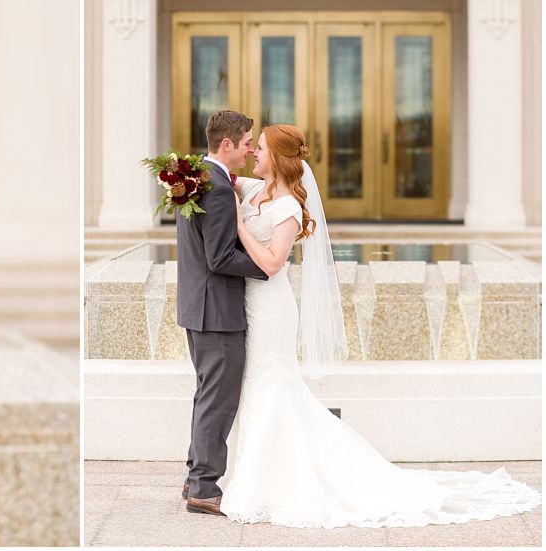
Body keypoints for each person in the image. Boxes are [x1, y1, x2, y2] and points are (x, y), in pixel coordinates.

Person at [218, 123, 541, 527]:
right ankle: (257, 476)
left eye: (261, 149)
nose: (254, 154)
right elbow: (220, 173)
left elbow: (270, 263)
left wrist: (241, 226)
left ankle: (272, 483)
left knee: (273, 384)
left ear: (279, 158)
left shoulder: (286, 208)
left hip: (272, 309)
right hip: (249, 306)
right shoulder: (255, 189)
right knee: (258, 387)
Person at [177, 110, 269, 515]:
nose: (251, 149)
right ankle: (203, 487)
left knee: (207, 395)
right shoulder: (213, 187)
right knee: (219, 400)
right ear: (227, 144)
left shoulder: (197, 175)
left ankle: (196, 475)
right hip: (217, 311)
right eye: (247, 142)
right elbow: (219, 257)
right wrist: (267, 266)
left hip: (199, 307)